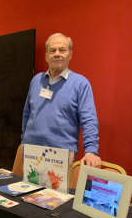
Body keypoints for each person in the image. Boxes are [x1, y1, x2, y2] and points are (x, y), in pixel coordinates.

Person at [21, 33, 101, 167]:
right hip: (31, 151)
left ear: (70, 55)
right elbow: (27, 114)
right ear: (46, 56)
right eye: (52, 50)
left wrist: (91, 151)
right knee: (28, 187)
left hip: (60, 156)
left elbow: (89, 119)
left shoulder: (80, 83)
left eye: (62, 50)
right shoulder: (36, 80)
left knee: (55, 189)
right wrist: (24, 139)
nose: (57, 54)